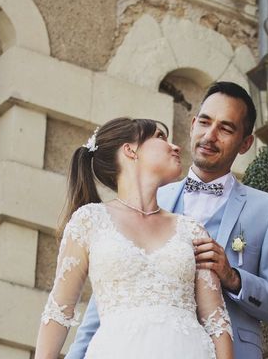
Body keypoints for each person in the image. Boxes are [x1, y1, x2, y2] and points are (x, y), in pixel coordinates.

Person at [66, 82, 268, 359]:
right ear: (192, 125)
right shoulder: (150, 200)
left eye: (225, 129)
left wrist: (233, 277)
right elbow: (107, 295)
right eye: (204, 122)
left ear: (245, 143)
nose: (209, 136)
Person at [35, 118, 234, 359]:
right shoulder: (89, 220)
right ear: (130, 150)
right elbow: (58, 312)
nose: (175, 146)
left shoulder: (191, 230)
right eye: (160, 137)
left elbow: (217, 322)